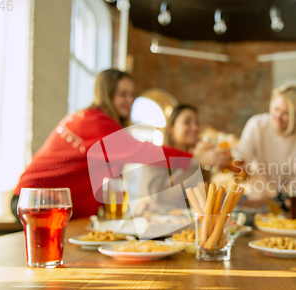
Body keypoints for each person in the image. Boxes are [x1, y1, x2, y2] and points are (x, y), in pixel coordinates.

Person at [12, 69, 227, 221]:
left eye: (131, 94)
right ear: (107, 94)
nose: (129, 100)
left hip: (50, 201)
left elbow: (107, 180)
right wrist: (195, 159)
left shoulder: (96, 123)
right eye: (122, 94)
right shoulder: (94, 122)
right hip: (38, 198)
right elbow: (143, 151)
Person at [236, 84, 296, 205]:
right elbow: (242, 159)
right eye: (276, 109)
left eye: (286, 113)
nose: (278, 117)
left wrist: (274, 195)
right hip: (256, 201)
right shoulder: (257, 125)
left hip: (285, 206)